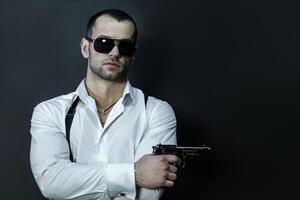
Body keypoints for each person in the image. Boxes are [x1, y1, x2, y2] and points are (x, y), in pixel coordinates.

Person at [30, 9, 179, 200]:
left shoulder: (156, 112)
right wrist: (134, 173)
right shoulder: (50, 111)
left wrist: (75, 182)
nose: (115, 52)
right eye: (104, 43)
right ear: (85, 48)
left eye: (125, 46)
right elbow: (51, 181)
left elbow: (148, 193)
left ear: (133, 54)